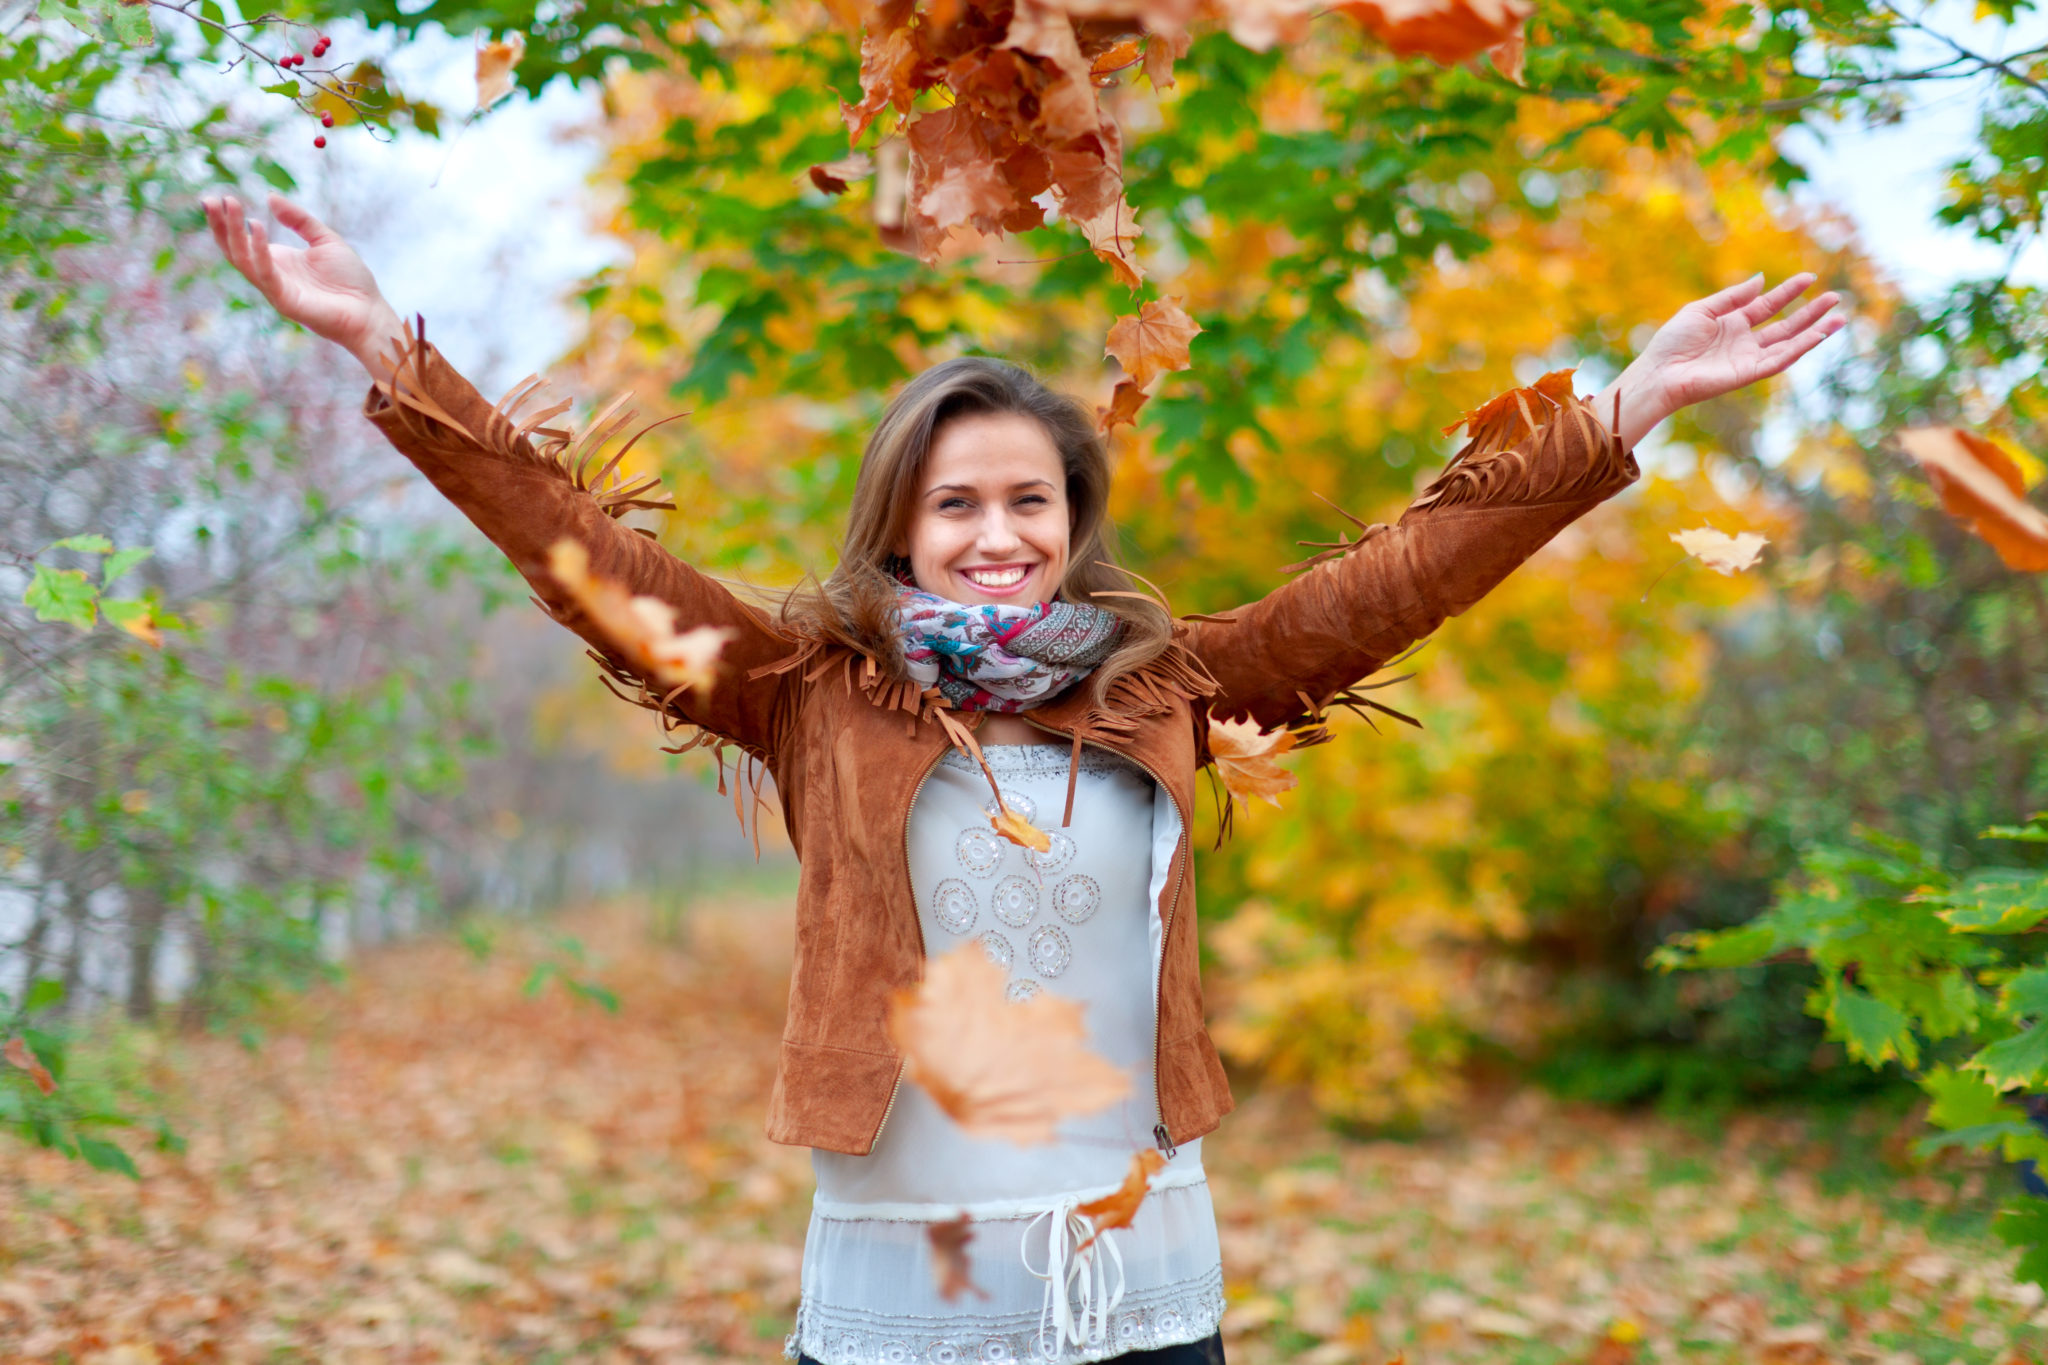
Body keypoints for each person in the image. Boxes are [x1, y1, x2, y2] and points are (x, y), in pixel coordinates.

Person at [202, 189, 1842, 1365]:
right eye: (959, 505)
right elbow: (591, 561)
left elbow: (1392, 582)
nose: (999, 535)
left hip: (1139, 1265)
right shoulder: (802, 690)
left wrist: (1624, 407)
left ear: (1074, 525)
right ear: (902, 525)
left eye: (1032, 504)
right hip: (909, 1266)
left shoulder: (1165, 680)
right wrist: (382, 346)